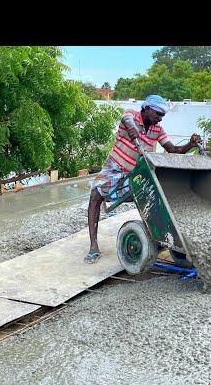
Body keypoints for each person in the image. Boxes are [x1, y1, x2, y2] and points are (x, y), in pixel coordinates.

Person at [84, 94, 203, 263]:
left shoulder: (157, 130)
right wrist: (133, 128)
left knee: (154, 198)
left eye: (162, 116)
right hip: (114, 168)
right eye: (157, 115)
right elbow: (126, 118)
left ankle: (161, 233)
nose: (160, 119)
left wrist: (190, 145)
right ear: (146, 109)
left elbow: (173, 150)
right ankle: (93, 246)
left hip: (135, 173)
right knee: (95, 195)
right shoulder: (131, 115)